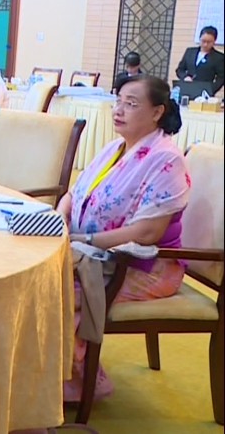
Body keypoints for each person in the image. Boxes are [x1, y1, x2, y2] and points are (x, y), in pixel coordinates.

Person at [58, 74, 190, 402]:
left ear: (157, 112)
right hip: (96, 252)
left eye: (131, 104)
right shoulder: (114, 148)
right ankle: (63, 372)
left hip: (148, 265)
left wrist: (82, 240)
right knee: (40, 279)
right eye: (118, 102)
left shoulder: (166, 159)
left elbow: (147, 233)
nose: (119, 110)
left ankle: (80, 380)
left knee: (55, 290)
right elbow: (73, 193)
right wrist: (61, 218)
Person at [174, 25, 224, 94]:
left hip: (204, 91)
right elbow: (180, 70)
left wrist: (211, 89)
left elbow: (221, 78)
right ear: (199, 38)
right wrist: (185, 77)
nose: (205, 44)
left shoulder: (218, 57)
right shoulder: (190, 52)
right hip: (187, 88)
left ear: (214, 41)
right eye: (203, 41)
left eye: (209, 42)